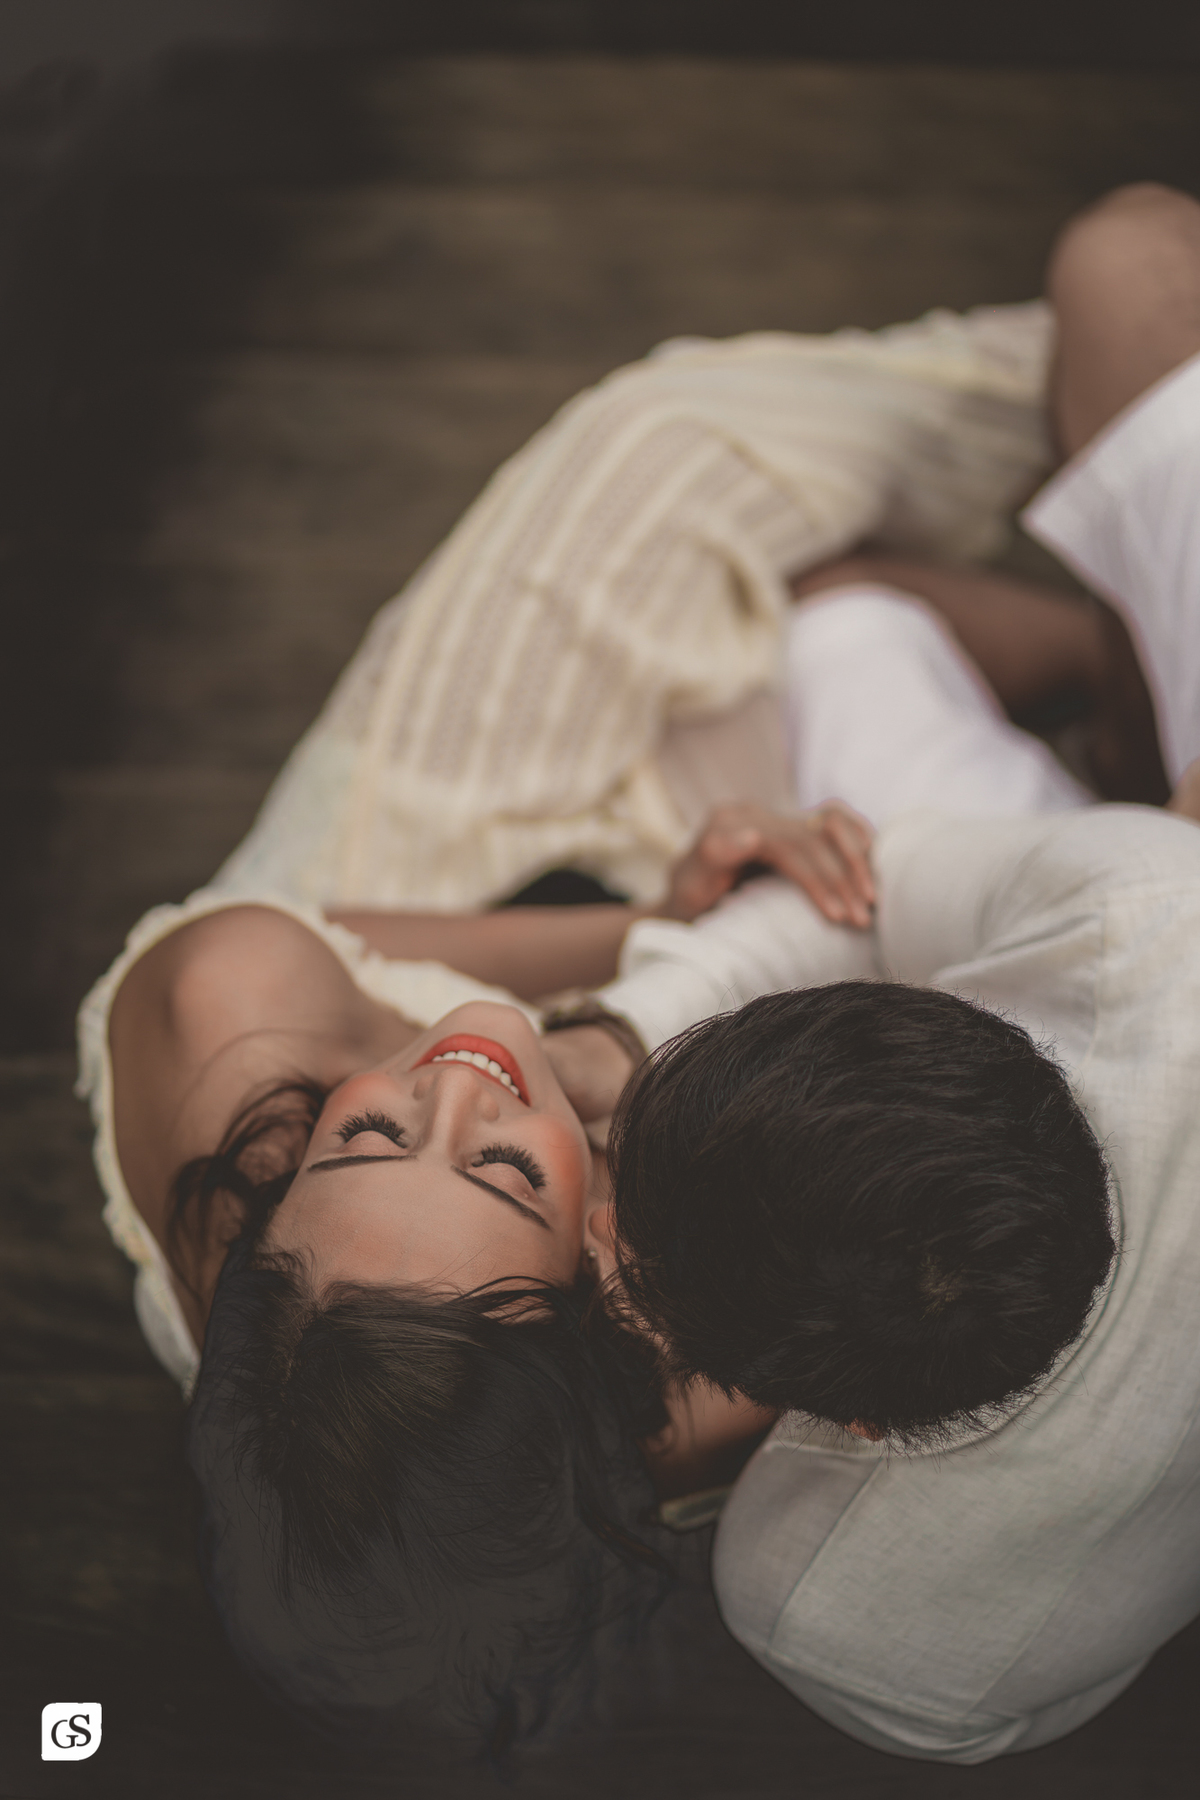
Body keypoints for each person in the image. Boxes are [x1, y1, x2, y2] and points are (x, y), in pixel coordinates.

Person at [567, 183, 1200, 1761]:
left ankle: (1117, 694)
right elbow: (887, 875)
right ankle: (1124, 697)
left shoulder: (845, 1629)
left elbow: (881, 878)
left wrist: (631, 1005)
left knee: (847, 619)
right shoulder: (1144, 924)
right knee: (1128, 258)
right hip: (1153, 865)